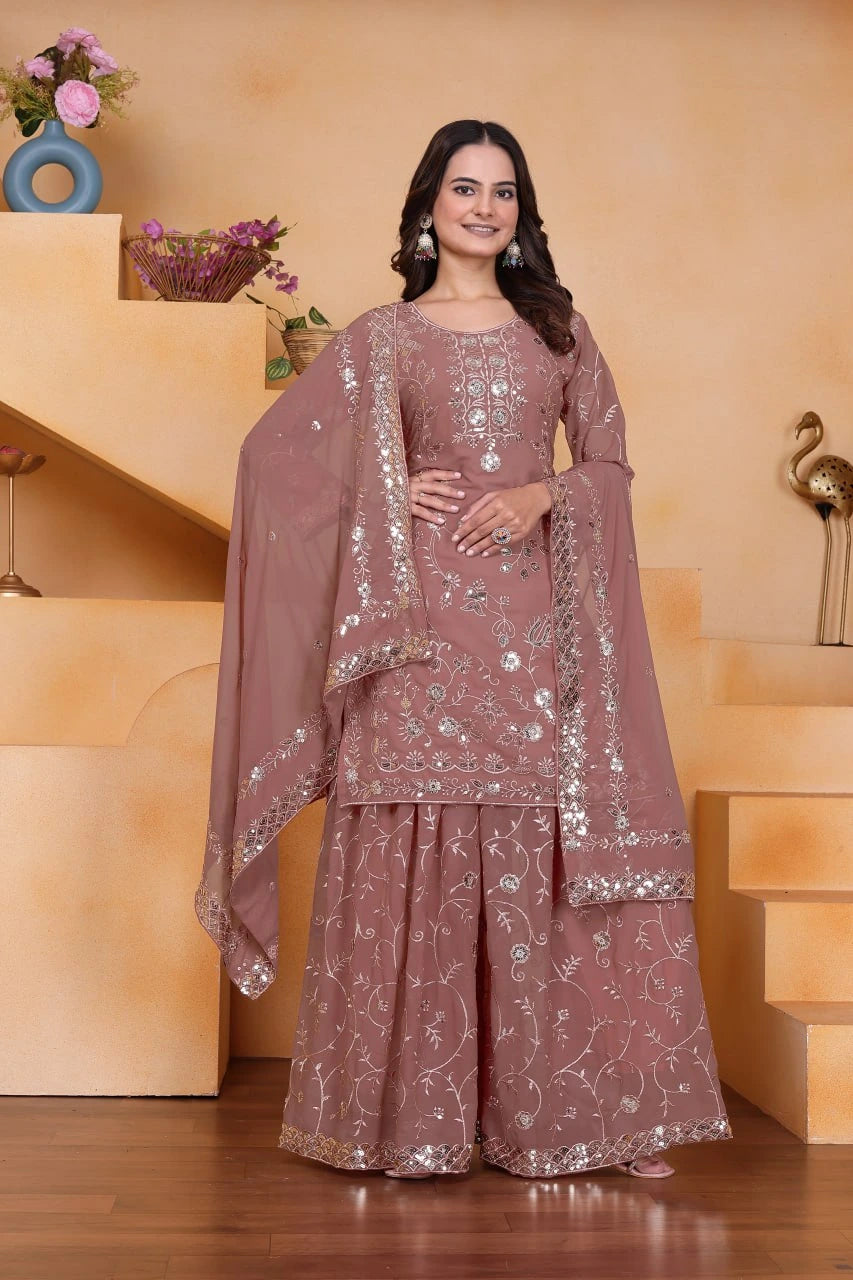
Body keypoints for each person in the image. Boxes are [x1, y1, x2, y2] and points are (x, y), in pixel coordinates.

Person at [195, 119, 732, 1182]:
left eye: (502, 191)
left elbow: (613, 465)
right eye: (462, 187)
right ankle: (410, 1119)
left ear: (522, 213)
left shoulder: (559, 331)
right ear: (426, 206)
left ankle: (592, 1115)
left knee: (553, 856)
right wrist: (386, 489)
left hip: (538, 634)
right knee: (415, 841)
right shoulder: (381, 338)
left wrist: (546, 490)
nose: (483, 207)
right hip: (417, 633)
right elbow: (275, 467)